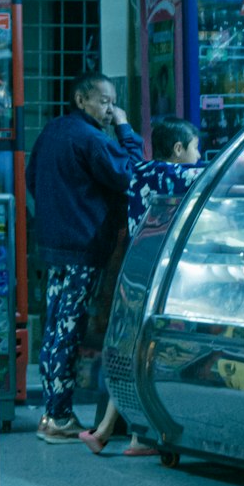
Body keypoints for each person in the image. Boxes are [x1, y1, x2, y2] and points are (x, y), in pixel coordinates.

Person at [26, 71, 143, 442]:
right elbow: (132, 174)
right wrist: (125, 128)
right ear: (82, 101)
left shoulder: (51, 132)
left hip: (53, 246)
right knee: (68, 329)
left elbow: (31, 179)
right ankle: (59, 417)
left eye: (113, 102)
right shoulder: (91, 138)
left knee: (55, 327)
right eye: (105, 101)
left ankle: (51, 413)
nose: (111, 109)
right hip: (82, 246)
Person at [80, 116, 203, 456]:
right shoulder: (177, 174)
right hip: (164, 275)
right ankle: (136, 436)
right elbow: (217, 175)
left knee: (131, 349)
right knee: (148, 354)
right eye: (195, 147)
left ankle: (113, 431)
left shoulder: (142, 171)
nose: (198, 154)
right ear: (178, 149)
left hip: (137, 268)